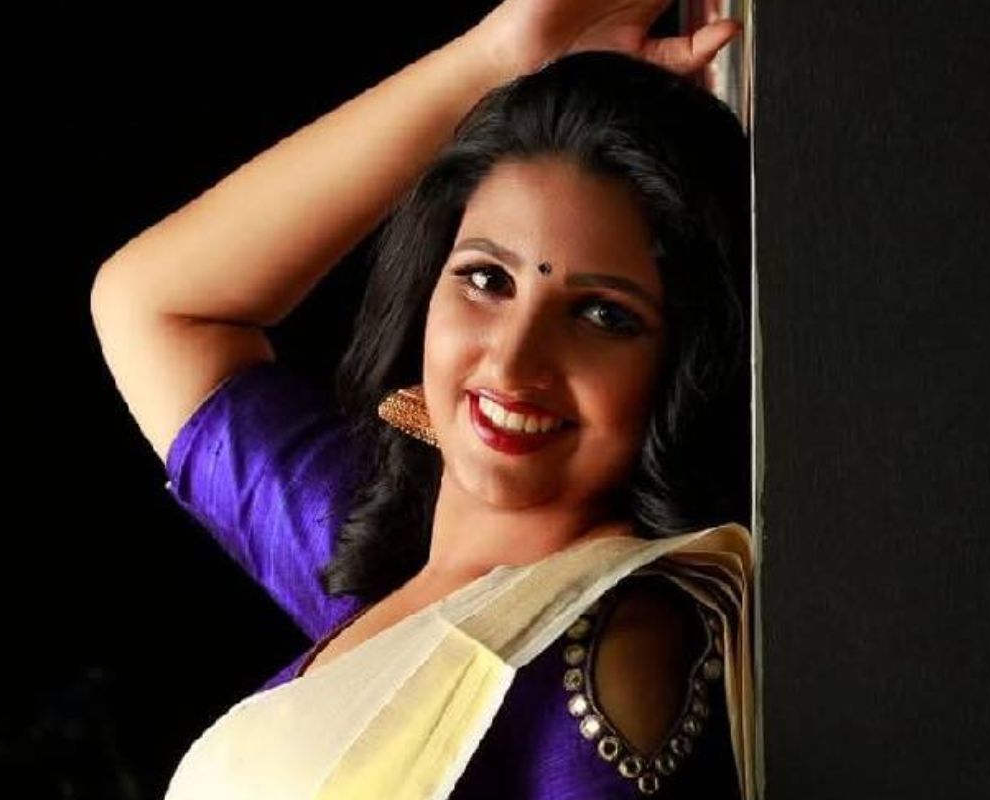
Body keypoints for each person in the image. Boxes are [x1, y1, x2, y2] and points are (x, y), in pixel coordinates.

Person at [90, 1, 755, 797]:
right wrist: (496, 58)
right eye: (487, 278)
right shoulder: (384, 578)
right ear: (427, 288)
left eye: (603, 316)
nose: (514, 360)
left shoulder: (617, 652)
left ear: (682, 367)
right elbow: (152, 305)